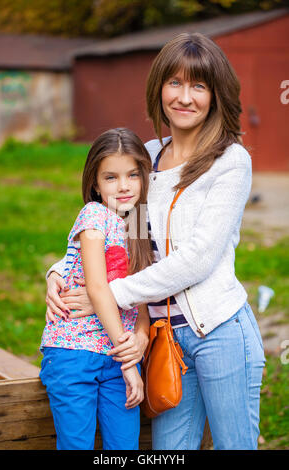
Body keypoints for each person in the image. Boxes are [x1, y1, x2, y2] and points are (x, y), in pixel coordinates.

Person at [45, 33, 266, 450]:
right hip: (163, 340)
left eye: (199, 86)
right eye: (175, 83)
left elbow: (197, 260)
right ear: (159, 88)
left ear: (215, 94)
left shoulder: (231, 161)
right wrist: (59, 271)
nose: (185, 97)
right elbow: (112, 232)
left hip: (219, 331)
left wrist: (106, 296)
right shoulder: (145, 158)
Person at [39, 127, 154, 450]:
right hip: (75, 353)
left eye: (133, 175)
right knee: (76, 445)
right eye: (111, 178)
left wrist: (139, 343)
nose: (124, 186)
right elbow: (98, 287)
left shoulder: (138, 224)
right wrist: (130, 365)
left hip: (118, 355)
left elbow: (141, 301)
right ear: (95, 183)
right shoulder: (94, 215)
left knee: (125, 446)